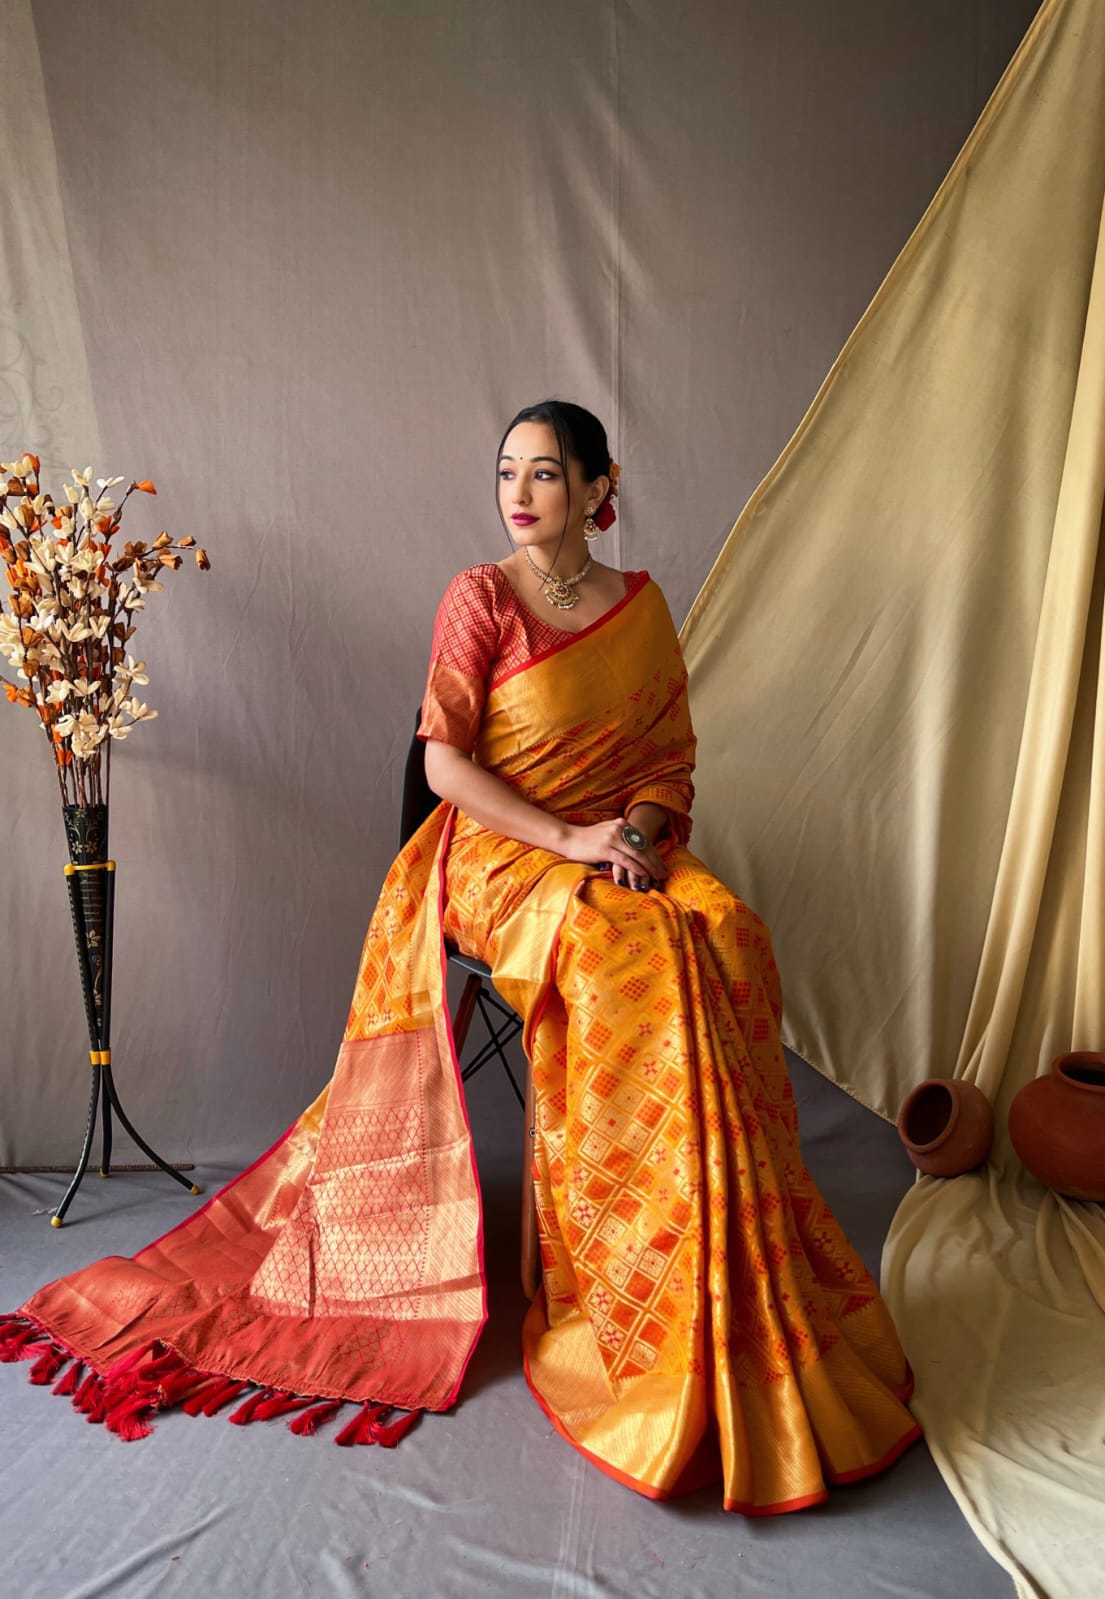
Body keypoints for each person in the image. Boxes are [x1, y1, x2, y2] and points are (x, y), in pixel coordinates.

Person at [3, 400, 919, 1514]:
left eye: (545, 473)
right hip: (494, 852)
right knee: (622, 962)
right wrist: (572, 841)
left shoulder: (639, 608)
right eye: (506, 472)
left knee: (726, 934)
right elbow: (443, 767)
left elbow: (667, 761)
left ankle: (733, 1261)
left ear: (599, 488)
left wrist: (634, 834)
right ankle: (627, 1288)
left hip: (614, 840)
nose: (519, 494)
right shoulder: (479, 597)